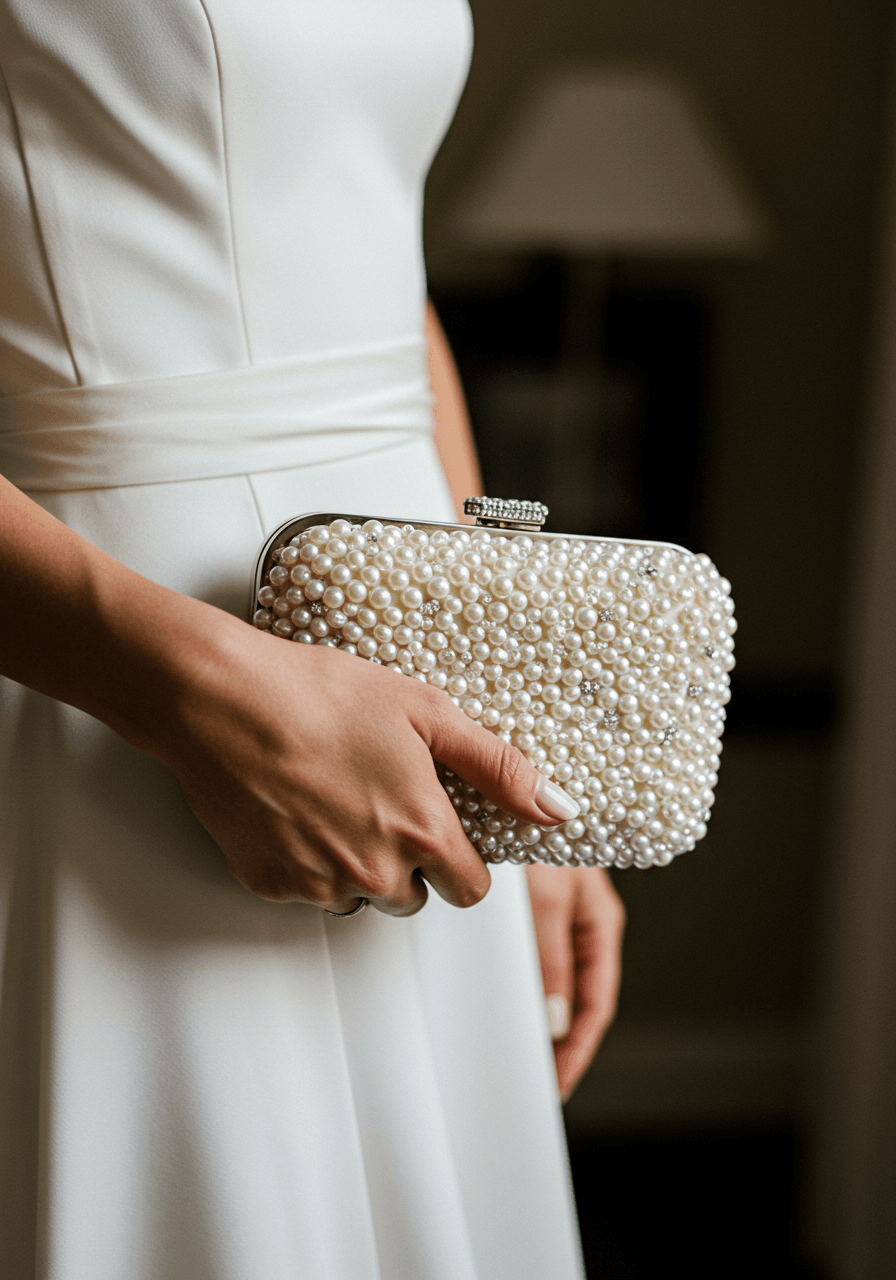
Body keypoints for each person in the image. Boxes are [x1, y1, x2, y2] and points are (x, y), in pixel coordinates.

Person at [0, 1, 624, 1276]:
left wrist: (512, 755)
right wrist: (180, 690)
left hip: (413, 692)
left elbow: (386, 297)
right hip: (97, 677)